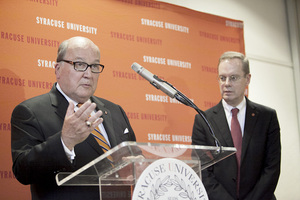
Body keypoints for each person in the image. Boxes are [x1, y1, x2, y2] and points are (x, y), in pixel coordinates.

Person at [11, 36, 136, 200]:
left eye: (95, 66)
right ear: (57, 70)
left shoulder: (114, 110)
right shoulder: (30, 111)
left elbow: (132, 155)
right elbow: (23, 172)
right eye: (80, 65)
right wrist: (65, 142)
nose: (89, 74)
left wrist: (137, 164)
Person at [192, 51, 281, 200]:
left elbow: (271, 167)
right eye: (222, 78)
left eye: (233, 78)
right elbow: (202, 171)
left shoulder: (267, 117)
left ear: (247, 79)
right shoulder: (203, 120)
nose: (226, 84)